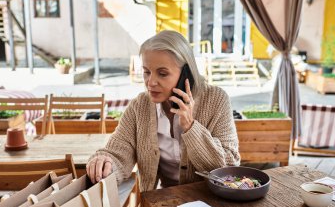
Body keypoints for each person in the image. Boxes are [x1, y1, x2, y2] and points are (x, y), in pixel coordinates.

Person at [86, 30, 240, 192]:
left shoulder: (216, 99)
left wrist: (191, 127)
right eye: (146, 72)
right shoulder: (139, 106)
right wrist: (105, 162)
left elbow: (229, 166)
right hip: (161, 201)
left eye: (162, 73)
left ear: (186, 73)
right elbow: (118, 152)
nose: (150, 82)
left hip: (208, 200)